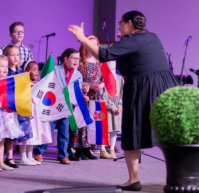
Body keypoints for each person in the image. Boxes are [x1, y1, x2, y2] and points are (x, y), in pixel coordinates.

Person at [68, 11, 178, 191]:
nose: (118, 27)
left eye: (120, 24)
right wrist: (124, 40)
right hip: (166, 86)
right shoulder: (152, 37)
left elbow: (103, 55)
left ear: (129, 23)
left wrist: (82, 38)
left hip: (143, 87)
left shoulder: (131, 40)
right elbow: (135, 55)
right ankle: (177, 176)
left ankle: (133, 179)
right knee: (168, 132)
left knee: (132, 130)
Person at [34, 48, 89, 165]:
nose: (76, 61)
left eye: (78, 59)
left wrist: (84, 92)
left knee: (64, 132)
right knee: (48, 129)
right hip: (53, 105)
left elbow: (77, 91)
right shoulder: (55, 70)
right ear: (65, 59)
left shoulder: (78, 74)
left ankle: (63, 155)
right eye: (74, 58)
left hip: (66, 107)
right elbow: (45, 83)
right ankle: (39, 151)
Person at [70, 35, 105, 161]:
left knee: (93, 121)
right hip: (83, 95)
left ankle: (88, 148)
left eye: (95, 45)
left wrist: (100, 85)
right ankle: (79, 148)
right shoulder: (80, 62)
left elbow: (103, 79)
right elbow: (75, 80)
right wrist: (88, 85)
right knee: (83, 121)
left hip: (95, 96)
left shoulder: (98, 62)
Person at [16, 60, 52, 166]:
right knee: (26, 134)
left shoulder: (38, 84)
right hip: (27, 111)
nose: (37, 72)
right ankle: (23, 157)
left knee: (33, 134)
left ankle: (30, 156)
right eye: (34, 70)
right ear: (27, 71)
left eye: (38, 70)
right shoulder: (23, 83)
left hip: (35, 113)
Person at [99, 71, 124, 159]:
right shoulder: (103, 77)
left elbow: (122, 94)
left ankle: (112, 149)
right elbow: (102, 95)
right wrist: (112, 107)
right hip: (106, 106)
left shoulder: (119, 78)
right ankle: (102, 150)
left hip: (117, 107)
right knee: (105, 128)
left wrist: (120, 106)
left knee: (115, 128)